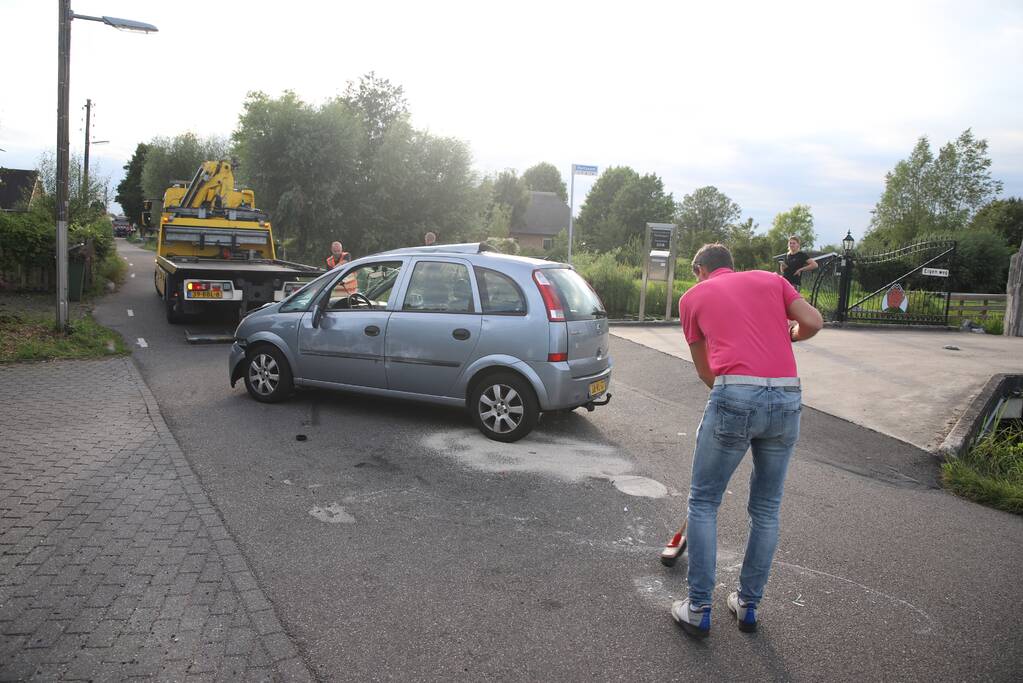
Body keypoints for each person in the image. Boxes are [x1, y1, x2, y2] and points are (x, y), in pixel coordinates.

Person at [670, 243, 823, 638]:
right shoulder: (772, 281)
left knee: (704, 502)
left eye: (694, 271)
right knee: (767, 509)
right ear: (732, 266)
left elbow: (706, 371)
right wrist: (792, 334)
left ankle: (698, 607)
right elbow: (814, 322)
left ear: (700, 268)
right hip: (788, 396)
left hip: (735, 393)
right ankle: (747, 604)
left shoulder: (692, 298)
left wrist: (731, 401)